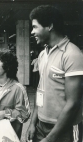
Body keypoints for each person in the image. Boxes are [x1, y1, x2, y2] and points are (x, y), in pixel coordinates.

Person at [26, 5, 83, 142]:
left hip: (64, 129)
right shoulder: (42, 55)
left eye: (35, 27)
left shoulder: (72, 54)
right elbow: (40, 91)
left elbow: (73, 102)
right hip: (41, 124)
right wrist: (33, 123)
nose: (32, 32)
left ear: (50, 26)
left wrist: (51, 138)